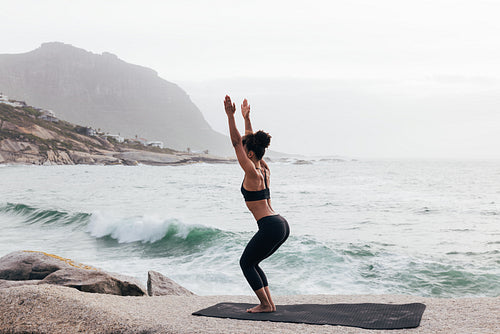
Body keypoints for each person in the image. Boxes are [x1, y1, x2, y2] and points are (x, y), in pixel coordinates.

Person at [224, 95, 290, 313]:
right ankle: (269, 304)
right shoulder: (264, 169)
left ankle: (264, 304)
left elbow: (236, 143)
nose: (241, 152)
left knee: (246, 264)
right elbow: (250, 143)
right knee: (253, 263)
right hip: (281, 224)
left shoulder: (252, 172)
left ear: (249, 154)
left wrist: (230, 116)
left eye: (245, 151)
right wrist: (247, 118)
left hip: (271, 226)